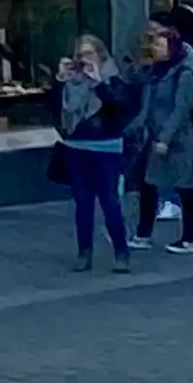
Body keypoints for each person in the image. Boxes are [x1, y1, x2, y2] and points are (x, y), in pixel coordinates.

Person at [54, 36, 137, 271]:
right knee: (82, 202)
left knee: (109, 201)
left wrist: (99, 83)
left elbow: (118, 109)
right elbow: (54, 110)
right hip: (76, 147)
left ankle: (121, 252)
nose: (84, 60)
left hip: (105, 148)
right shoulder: (72, 82)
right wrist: (60, 82)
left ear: (100, 55)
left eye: (89, 54)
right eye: (80, 55)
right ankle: (84, 252)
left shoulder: (112, 78)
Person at [128, 20, 193, 254]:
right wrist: (132, 130)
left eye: (161, 46)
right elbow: (147, 108)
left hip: (179, 140)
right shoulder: (155, 73)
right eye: (154, 46)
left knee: (185, 185)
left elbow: (181, 109)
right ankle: (143, 234)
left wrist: (166, 138)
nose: (157, 50)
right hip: (155, 137)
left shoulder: (185, 73)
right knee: (148, 185)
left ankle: (188, 239)